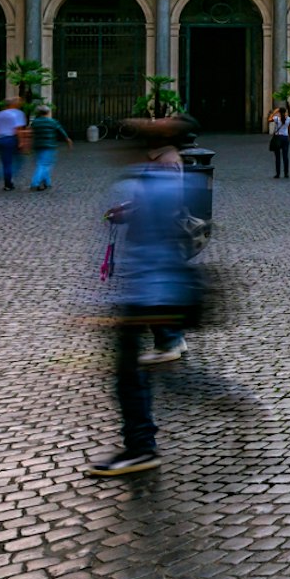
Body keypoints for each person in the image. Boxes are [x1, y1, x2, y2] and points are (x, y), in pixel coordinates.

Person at [88, 117, 204, 476]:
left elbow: (154, 237)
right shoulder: (155, 176)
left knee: (127, 373)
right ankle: (141, 442)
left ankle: (140, 446)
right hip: (154, 286)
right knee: (129, 370)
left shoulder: (159, 176)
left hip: (149, 290)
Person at [27, 105, 74, 191]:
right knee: (45, 164)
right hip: (49, 145)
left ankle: (47, 182)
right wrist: (68, 140)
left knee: (42, 163)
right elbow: (62, 132)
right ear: (48, 112)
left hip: (37, 145)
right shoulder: (52, 122)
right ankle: (35, 183)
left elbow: (31, 133)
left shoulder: (35, 122)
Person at [0, 98, 27, 190]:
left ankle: (3, 179)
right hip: (11, 139)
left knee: (6, 162)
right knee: (18, 161)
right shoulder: (17, 113)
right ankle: (5, 180)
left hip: (0, 139)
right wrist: (21, 142)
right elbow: (18, 129)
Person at [266, 106, 290, 178]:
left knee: (277, 157)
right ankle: (286, 173)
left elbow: (269, 119)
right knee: (285, 156)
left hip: (278, 138)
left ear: (279, 113)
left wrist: (274, 112)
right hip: (285, 138)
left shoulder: (277, 119)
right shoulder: (288, 119)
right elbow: (286, 115)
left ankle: (278, 173)